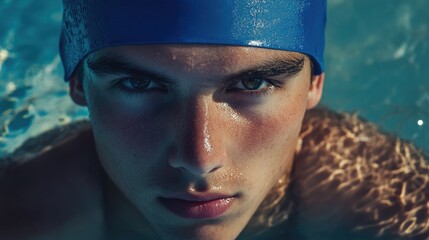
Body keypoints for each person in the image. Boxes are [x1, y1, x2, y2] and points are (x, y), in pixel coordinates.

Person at [0, 0, 428, 239]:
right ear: (77, 83)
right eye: (139, 85)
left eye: (254, 83)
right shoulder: (22, 215)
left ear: (315, 82)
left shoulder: (389, 205)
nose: (199, 157)